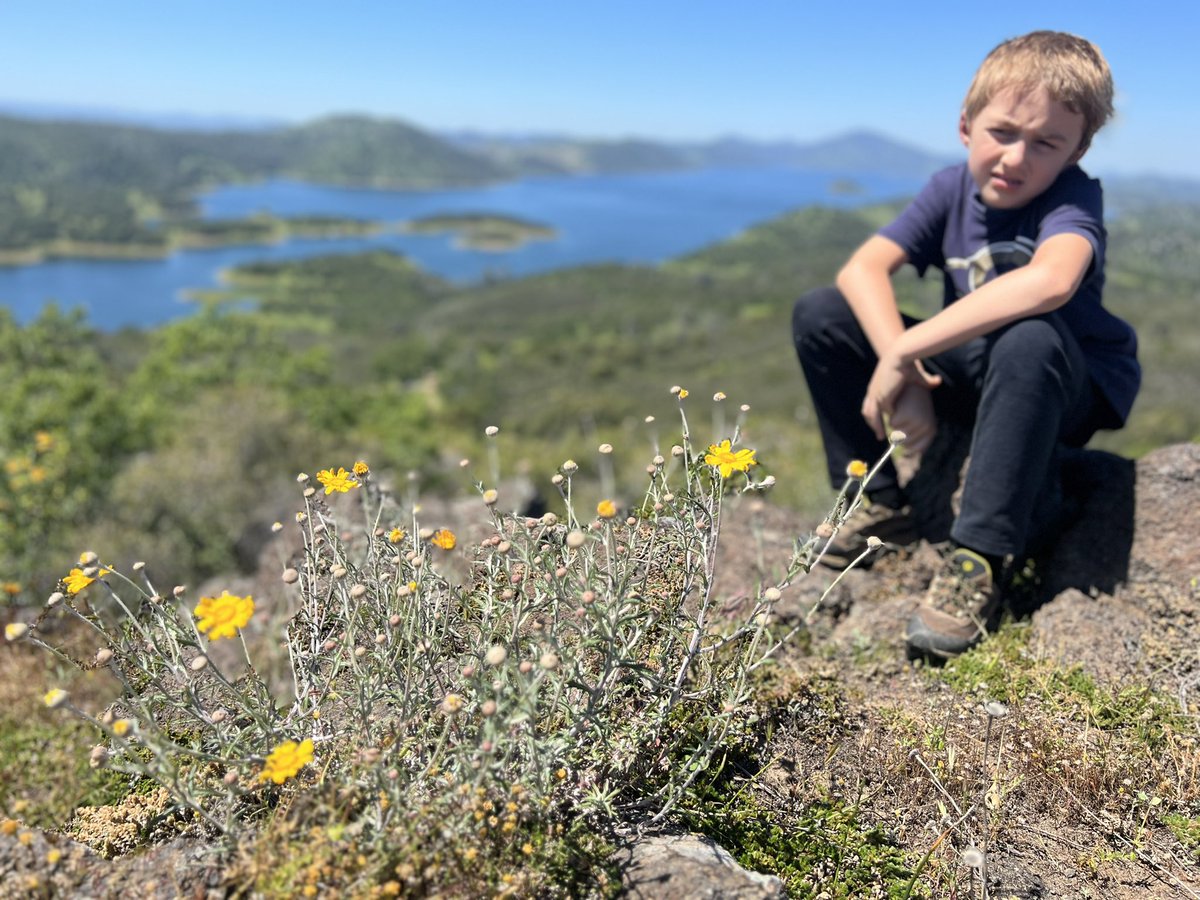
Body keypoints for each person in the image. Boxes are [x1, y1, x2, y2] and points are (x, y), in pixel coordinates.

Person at [791, 31, 1139, 659]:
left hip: (1059, 381)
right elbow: (862, 270)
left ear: (1078, 151)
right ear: (965, 125)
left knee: (1029, 334)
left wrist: (903, 354)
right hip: (977, 371)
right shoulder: (950, 189)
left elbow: (1052, 281)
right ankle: (876, 502)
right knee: (822, 314)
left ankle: (979, 555)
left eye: (1046, 143)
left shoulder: (1073, 195)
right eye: (1001, 132)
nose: (1015, 157)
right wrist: (906, 370)